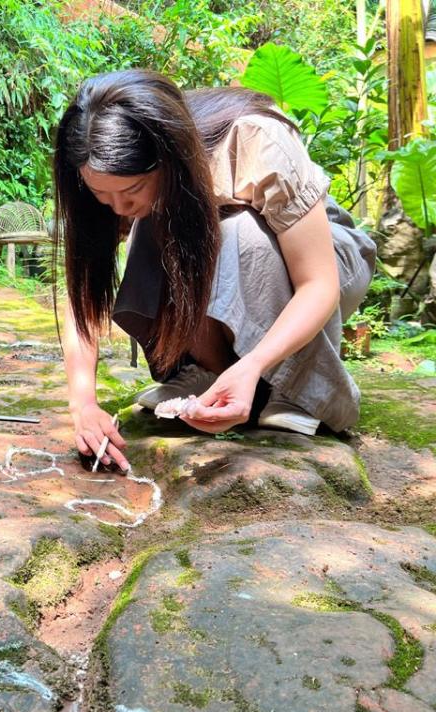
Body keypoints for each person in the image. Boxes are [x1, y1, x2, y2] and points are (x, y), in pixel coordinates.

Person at [53, 69, 376, 471]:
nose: (118, 208)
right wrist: (83, 404)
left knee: (236, 229)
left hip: (325, 261)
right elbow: (82, 294)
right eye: (102, 195)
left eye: (132, 191)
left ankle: (292, 388)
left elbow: (318, 282)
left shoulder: (254, 139)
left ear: (170, 158)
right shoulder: (103, 179)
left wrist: (254, 364)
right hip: (227, 265)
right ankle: (210, 371)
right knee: (152, 228)